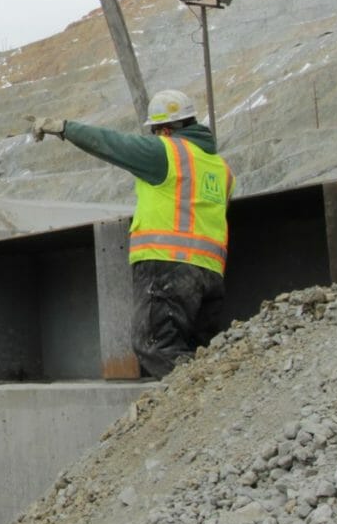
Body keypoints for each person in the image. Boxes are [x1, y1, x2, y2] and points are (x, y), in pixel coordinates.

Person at [30, 89, 234, 377]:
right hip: (211, 276)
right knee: (197, 347)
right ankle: (215, 402)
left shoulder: (166, 151)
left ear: (164, 130)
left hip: (168, 267)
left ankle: (208, 399)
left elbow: (112, 144)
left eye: (155, 132)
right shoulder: (221, 168)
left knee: (155, 346)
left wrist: (64, 128)